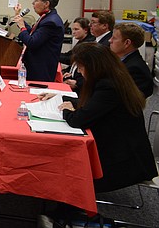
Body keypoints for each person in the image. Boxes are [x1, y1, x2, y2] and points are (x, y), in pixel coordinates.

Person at [43, 43, 156, 193]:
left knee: (66, 162)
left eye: (81, 68)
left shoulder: (108, 86)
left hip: (123, 160)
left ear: (93, 66)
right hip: (120, 147)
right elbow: (94, 104)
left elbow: (78, 120)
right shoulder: (114, 77)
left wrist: (66, 109)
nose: (81, 72)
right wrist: (61, 97)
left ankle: (69, 212)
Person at [12, 0, 64, 81]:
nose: (33, 3)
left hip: (41, 70)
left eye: (36, 0)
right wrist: (18, 18)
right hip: (37, 67)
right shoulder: (47, 17)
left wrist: (22, 27)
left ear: (46, 4)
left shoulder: (51, 22)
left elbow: (32, 42)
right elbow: (33, 32)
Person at [108, 22, 154, 98]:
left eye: (114, 38)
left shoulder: (135, 69)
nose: (110, 40)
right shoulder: (120, 60)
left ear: (127, 43)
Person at [62, 17, 95, 91]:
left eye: (76, 29)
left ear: (86, 30)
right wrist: (69, 71)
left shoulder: (87, 43)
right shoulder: (81, 41)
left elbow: (70, 58)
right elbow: (69, 55)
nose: (73, 32)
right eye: (73, 29)